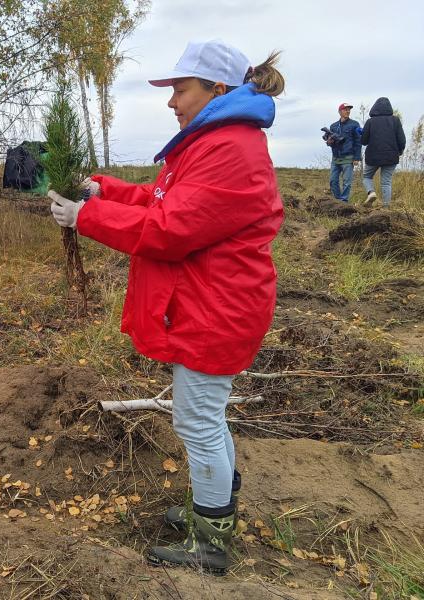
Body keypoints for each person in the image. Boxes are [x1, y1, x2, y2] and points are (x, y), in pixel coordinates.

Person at [48, 39, 285, 573]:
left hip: (217, 309)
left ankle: (210, 544)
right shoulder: (213, 141)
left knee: (198, 420)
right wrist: (102, 191)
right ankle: (214, 509)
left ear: (217, 90)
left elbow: (170, 229)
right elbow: (163, 202)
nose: (172, 101)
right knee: (206, 416)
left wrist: (85, 218)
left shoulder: (230, 149)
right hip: (214, 301)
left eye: (181, 89)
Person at [361, 97, 406, 208]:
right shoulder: (395, 120)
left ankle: (371, 192)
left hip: (373, 157)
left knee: (367, 176)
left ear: (374, 108)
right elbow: (402, 140)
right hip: (391, 156)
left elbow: (363, 141)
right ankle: (386, 209)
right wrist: (399, 151)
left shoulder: (370, 122)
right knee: (386, 182)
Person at [326, 102, 362, 202]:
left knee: (347, 182)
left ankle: (344, 201)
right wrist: (329, 142)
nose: (348, 111)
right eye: (345, 109)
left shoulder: (354, 124)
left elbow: (358, 142)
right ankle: (338, 201)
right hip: (336, 158)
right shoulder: (333, 126)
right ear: (339, 111)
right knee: (333, 181)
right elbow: (330, 142)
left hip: (348, 158)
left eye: (349, 109)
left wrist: (357, 157)